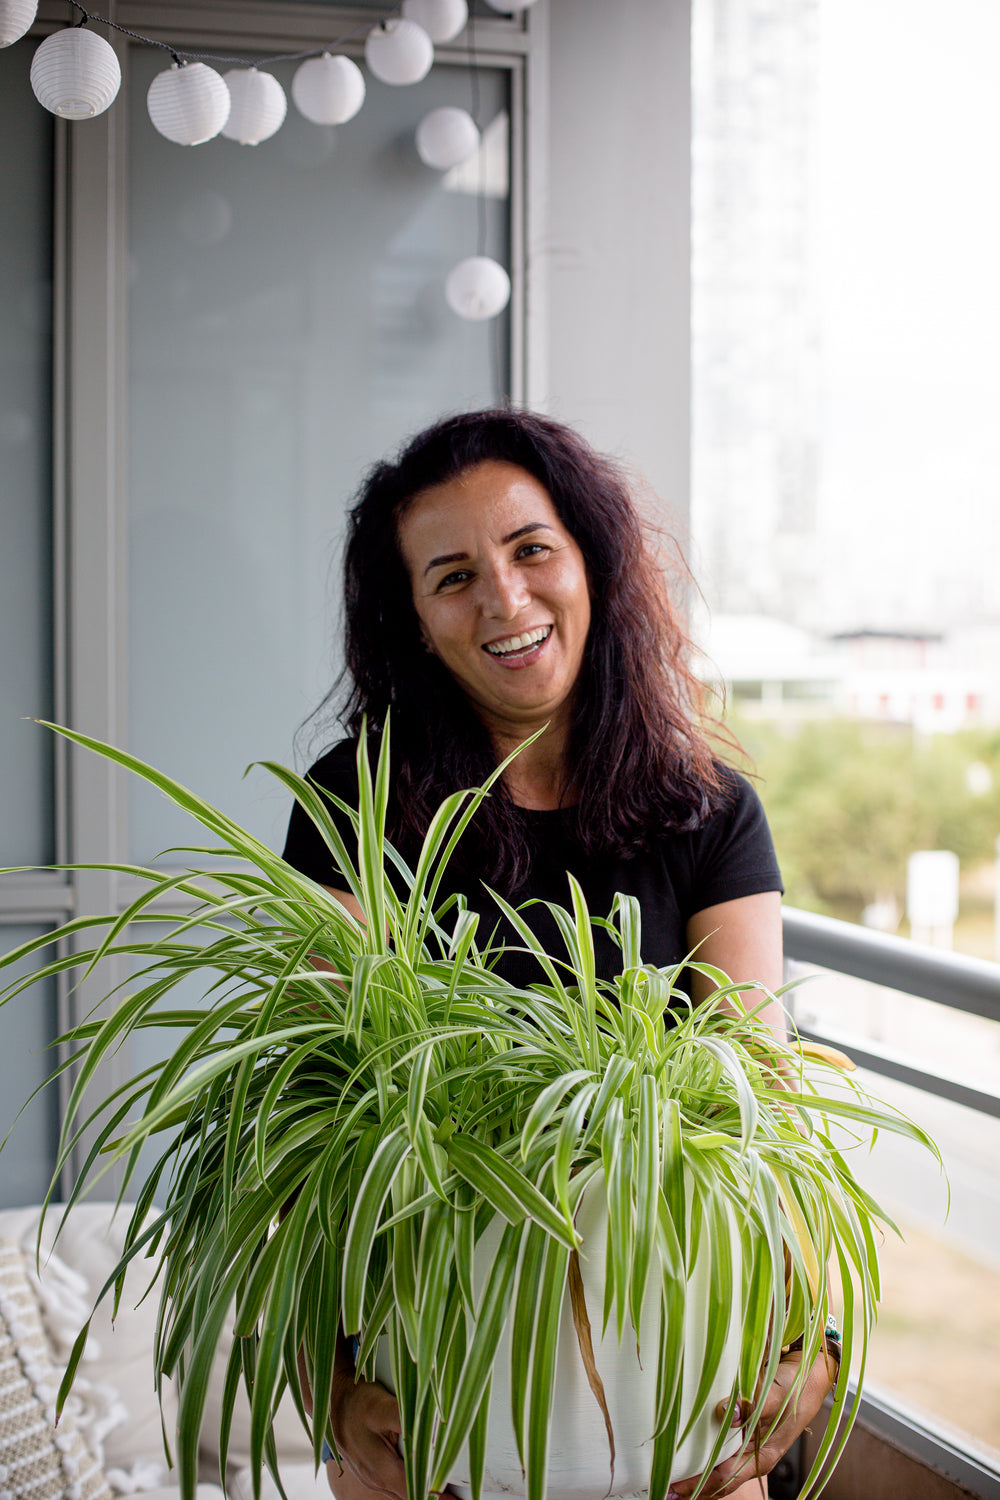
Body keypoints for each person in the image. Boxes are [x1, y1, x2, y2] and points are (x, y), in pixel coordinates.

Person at [282, 409, 834, 1500]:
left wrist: (806, 1348)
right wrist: (331, 1391)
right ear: (416, 621)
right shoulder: (355, 803)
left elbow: (759, 1099)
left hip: (670, 1370)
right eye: (452, 575)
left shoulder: (707, 810)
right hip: (439, 1377)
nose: (505, 598)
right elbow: (314, 1115)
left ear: (590, 558)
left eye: (531, 549)